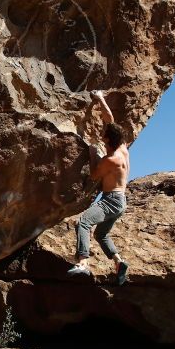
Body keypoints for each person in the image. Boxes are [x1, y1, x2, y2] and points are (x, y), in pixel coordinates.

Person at [67, 90, 130, 286]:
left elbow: (94, 174)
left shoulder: (111, 159)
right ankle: (119, 262)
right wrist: (100, 98)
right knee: (101, 234)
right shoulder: (122, 148)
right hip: (120, 201)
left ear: (108, 140)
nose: (101, 134)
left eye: (103, 134)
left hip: (111, 200)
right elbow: (109, 119)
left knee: (83, 222)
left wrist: (93, 153)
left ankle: (83, 262)